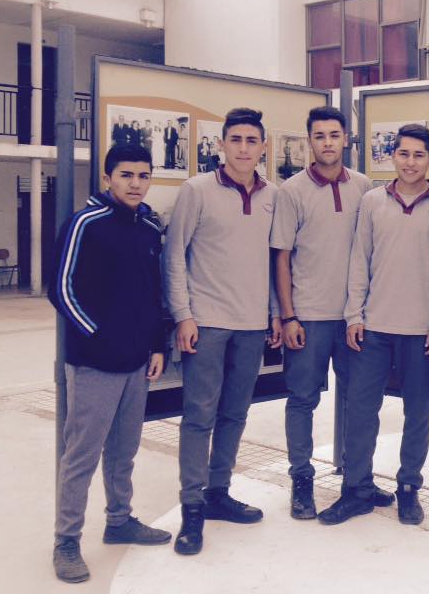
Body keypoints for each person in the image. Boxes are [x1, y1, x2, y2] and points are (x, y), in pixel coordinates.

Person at [318, 123, 429, 526]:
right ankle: (356, 489)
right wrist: (354, 314)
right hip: (373, 328)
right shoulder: (373, 201)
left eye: (418, 155)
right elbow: (359, 259)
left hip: (422, 333)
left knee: (418, 414)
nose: (410, 162)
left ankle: (409, 488)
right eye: (403, 154)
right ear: (393, 156)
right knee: (361, 411)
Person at [48, 143, 170, 583]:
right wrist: (99, 336)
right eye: (126, 175)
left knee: (123, 451)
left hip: (137, 364)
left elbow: (153, 292)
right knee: (81, 455)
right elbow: (61, 289)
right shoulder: (86, 223)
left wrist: (156, 346)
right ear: (107, 178)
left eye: (143, 175)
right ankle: (66, 541)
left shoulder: (148, 227)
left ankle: (119, 521)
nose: (136, 184)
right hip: (94, 364)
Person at [164, 108, 282, 556]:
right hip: (207, 323)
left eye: (252, 140)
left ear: (263, 147)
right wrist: (183, 315)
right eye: (236, 139)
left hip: (252, 326)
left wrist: (275, 313)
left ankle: (218, 492)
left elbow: (274, 260)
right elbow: (174, 255)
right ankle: (191, 507)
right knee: (199, 416)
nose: (244, 148)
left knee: (235, 414)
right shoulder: (196, 190)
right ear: (221, 145)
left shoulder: (273, 195)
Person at [271, 106, 396, 520]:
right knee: (302, 400)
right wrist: (288, 316)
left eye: (334, 135)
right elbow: (282, 257)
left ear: (346, 139)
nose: (327, 142)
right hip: (307, 316)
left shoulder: (364, 187)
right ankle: (302, 480)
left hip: (354, 317)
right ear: (310, 140)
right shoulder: (291, 191)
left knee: (361, 402)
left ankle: (359, 480)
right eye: (319, 135)